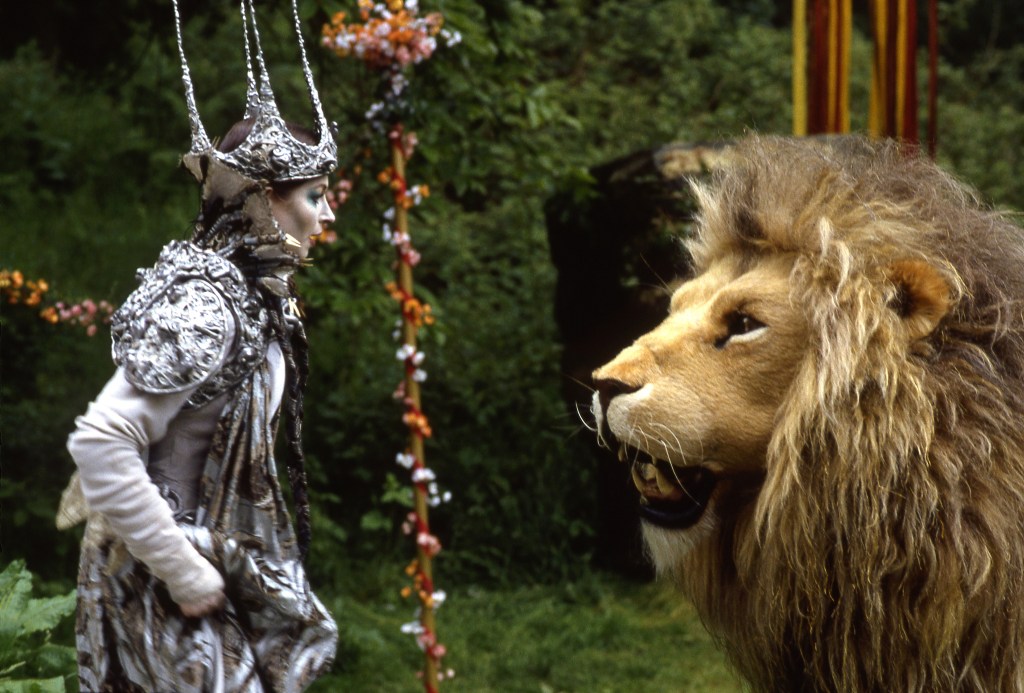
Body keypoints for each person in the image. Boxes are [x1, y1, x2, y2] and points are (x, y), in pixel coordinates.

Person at [57, 1, 340, 690]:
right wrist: (183, 571)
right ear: (262, 200)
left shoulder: (257, 295)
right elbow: (100, 444)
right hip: (165, 582)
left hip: (218, 568)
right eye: (314, 195)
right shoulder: (205, 302)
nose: (327, 214)